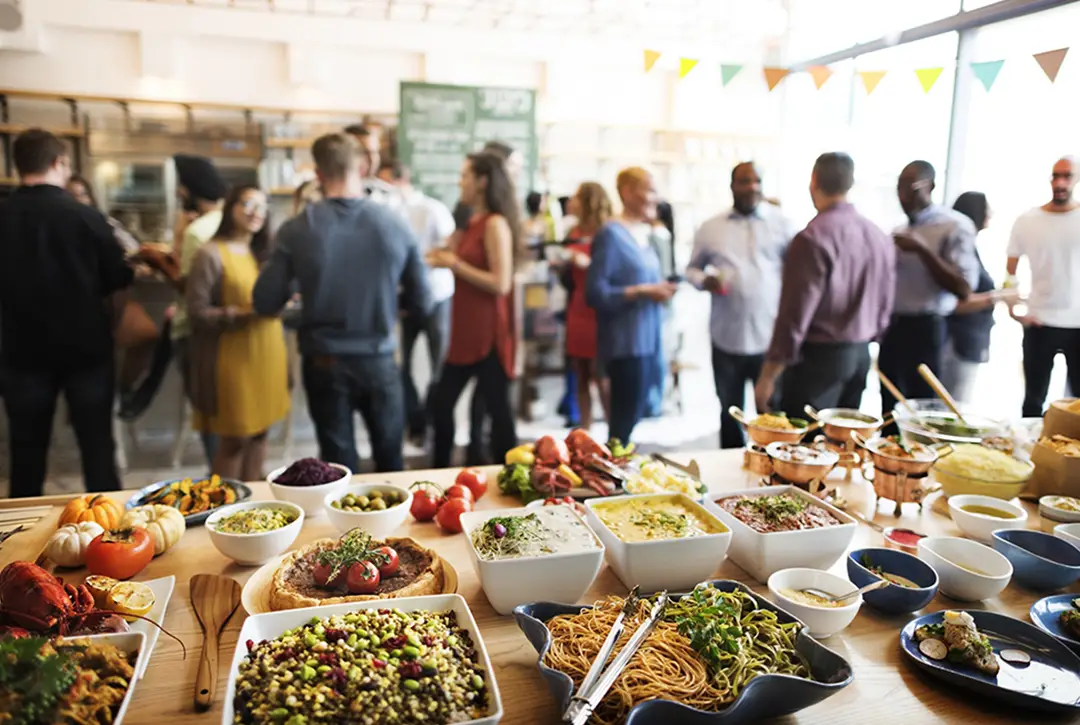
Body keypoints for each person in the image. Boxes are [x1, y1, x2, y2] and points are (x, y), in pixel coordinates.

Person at [253, 133, 431, 473]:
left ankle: (344, 527)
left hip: (324, 361)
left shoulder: (297, 228)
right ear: (362, 167)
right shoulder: (395, 224)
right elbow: (422, 300)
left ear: (318, 174)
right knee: (391, 459)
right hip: (379, 358)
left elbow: (264, 301)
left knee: (337, 465)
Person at [0, 128, 134, 497]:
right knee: (97, 450)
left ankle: (17, 541)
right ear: (59, 162)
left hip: (19, 352)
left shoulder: (4, 215)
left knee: (26, 455)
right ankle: (111, 536)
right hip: (86, 350)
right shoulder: (87, 218)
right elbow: (119, 278)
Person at [754, 153, 895, 417]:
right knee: (842, 444)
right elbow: (885, 303)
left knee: (803, 447)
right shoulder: (878, 235)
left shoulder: (812, 238)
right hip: (860, 354)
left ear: (813, 180)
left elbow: (794, 315)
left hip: (818, 360)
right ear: (850, 183)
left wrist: (769, 374)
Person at [686, 162, 796, 448]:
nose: (752, 187)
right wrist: (703, 280)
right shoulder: (711, 228)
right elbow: (691, 270)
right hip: (727, 337)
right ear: (732, 186)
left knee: (772, 415)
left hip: (769, 340)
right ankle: (731, 477)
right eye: (744, 181)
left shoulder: (783, 225)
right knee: (729, 412)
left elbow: (797, 275)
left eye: (757, 180)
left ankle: (770, 475)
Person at [427, 151, 523, 467]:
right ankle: (439, 475)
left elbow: (501, 283)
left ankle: (512, 481)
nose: (460, 181)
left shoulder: (495, 224)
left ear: (482, 181)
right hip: (465, 333)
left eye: (465, 175)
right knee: (442, 406)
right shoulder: (471, 221)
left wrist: (454, 264)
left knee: (499, 416)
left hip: (488, 335)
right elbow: (447, 253)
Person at [186, 186, 288, 481]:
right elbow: (197, 312)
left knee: (261, 433)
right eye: (247, 203)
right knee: (234, 439)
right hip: (232, 358)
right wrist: (242, 312)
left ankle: (254, 507)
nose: (256, 211)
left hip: (268, 352)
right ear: (230, 207)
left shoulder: (265, 254)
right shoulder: (209, 253)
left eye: (262, 205)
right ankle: (225, 509)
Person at [139, 154, 227, 469]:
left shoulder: (197, 231)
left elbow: (187, 289)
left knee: (206, 410)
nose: (178, 194)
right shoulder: (231, 222)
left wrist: (159, 260)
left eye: (180, 187)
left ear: (189, 188)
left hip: (194, 334)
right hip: (230, 333)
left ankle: (220, 476)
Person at [880, 160, 979, 420]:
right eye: (899, 187)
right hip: (893, 328)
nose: (903, 195)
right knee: (890, 406)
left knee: (922, 409)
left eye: (910, 187)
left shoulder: (954, 226)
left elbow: (964, 288)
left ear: (931, 186)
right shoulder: (898, 230)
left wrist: (923, 251)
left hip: (927, 329)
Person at [586, 167, 678, 445]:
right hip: (624, 344)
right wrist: (642, 291)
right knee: (622, 424)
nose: (655, 197)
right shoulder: (611, 235)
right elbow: (596, 293)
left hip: (649, 341)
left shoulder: (644, 234)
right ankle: (612, 480)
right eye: (649, 189)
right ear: (627, 192)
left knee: (636, 415)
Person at [378, 160, 457, 445]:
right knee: (400, 366)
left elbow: (450, 251)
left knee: (440, 366)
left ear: (400, 180)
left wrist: (418, 259)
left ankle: (430, 420)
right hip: (404, 299)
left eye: (384, 182)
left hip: (437, 296)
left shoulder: (433, 209)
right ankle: (417, 420)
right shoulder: (386, 211)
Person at [1006, 156, 1080, 417]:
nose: (1060, 182)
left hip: (1077, 324)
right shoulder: (1028, 220)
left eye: (1067, 176)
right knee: (1033, 400)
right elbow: (1010, 271)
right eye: (1055, 175)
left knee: (1077, 405)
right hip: (1040, 321)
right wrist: (1013, 308)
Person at [943, 192, 1016, 403]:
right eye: (987, 208)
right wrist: (997, 297)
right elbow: (955, 303)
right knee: (952, 407)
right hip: (958, 341)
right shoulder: (959, 251)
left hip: (969, 341)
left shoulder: (970, 248)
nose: (991, 213)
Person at [563, 182, 614, 429]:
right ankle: (585, 429)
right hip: (577, 307)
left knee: (601, 375)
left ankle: (615, 430)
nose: (571, 202)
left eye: (575, 197)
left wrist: (587, 263)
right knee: (580, 373)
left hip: (598, 311)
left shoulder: (608, 231)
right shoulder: (573, 231)